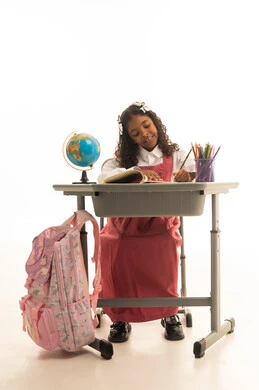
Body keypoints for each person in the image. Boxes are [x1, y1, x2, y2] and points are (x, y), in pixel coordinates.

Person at [97, 102, 195, 343]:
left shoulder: (176, 156)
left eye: (146, 125)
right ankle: (120, 316)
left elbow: (197, 172)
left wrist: (188, 176)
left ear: (155, 123)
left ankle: (169, 312)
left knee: (165, 248)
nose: (144, 133)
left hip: (160, 225)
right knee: (116, 249)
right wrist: (133, 171)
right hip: (124, 227)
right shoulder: (122, 159)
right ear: (129, 138)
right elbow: (104, 175)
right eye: (135, 132)